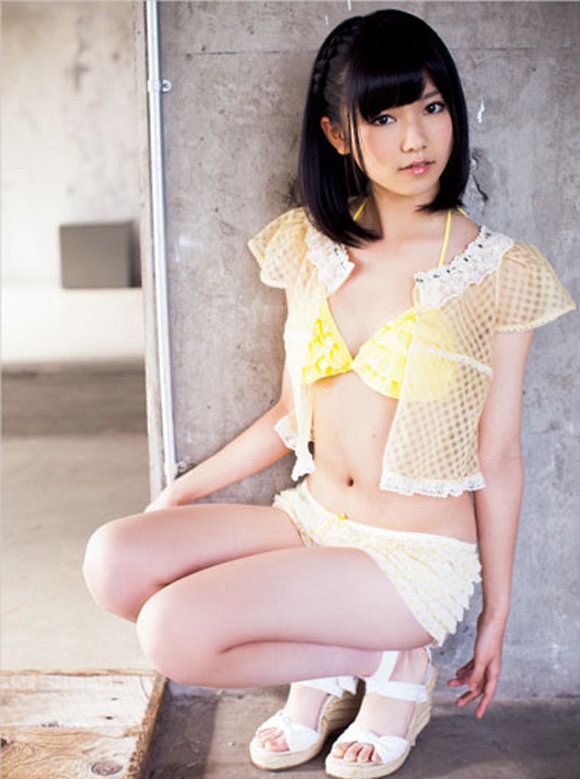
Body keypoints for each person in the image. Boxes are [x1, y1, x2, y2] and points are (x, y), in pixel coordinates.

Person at [82, 8, 576, 779]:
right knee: (114, 560)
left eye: (431, 106)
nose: (415, 139)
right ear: (338, 135)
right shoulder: (313, 246)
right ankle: (353, 656)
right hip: (312, 519)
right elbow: (290, 415)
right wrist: (182, 490)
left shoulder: (499, 271)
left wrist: (496, 616)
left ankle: (393, 660)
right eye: (383, 117)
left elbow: (500, 454)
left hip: (409, 559)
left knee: (172, 631)